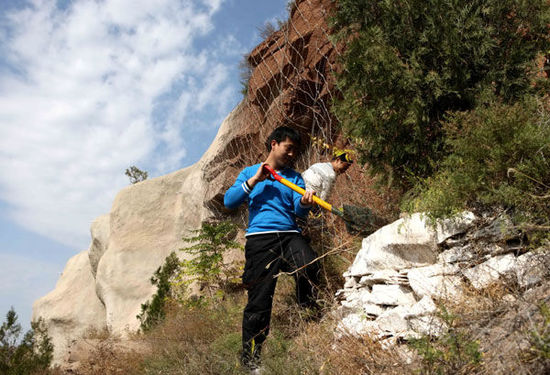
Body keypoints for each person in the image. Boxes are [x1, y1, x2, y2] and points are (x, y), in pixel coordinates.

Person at [224, 126, 320, 374]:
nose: (292, 155)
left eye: (295, 151)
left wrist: (303, 203)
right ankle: (251, 359)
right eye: (289, 149)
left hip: (289, 236)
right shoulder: (248, 172)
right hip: (260, 240)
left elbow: (297, 211)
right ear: (274, 144)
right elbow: (229, 201)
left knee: (310, 265)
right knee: (259, 300)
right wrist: (255, 179)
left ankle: (306, 318)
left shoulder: (295, 177)